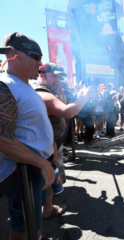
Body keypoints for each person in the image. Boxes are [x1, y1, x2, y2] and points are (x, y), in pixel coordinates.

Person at [0, 32, 56, 240]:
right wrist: (42, 163)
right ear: (13, 54)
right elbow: (2, 140)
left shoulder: (23, 85)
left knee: (33, 226)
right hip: (21, 172)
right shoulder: (5, 85)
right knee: (23, 231)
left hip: (34, 167)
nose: (40, 63)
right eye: (35, 56)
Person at [31, 62, 95, 218]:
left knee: (53, 173)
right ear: (42, 76)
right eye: (53, 76)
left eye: (59, 76)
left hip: (54, 142)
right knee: (47, 176)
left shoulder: (55, 88)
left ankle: (48, 206)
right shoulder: (41, 90)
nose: (57, 79)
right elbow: (67, 112)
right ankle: (46, 210)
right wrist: (85, 96)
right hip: (45, 145)